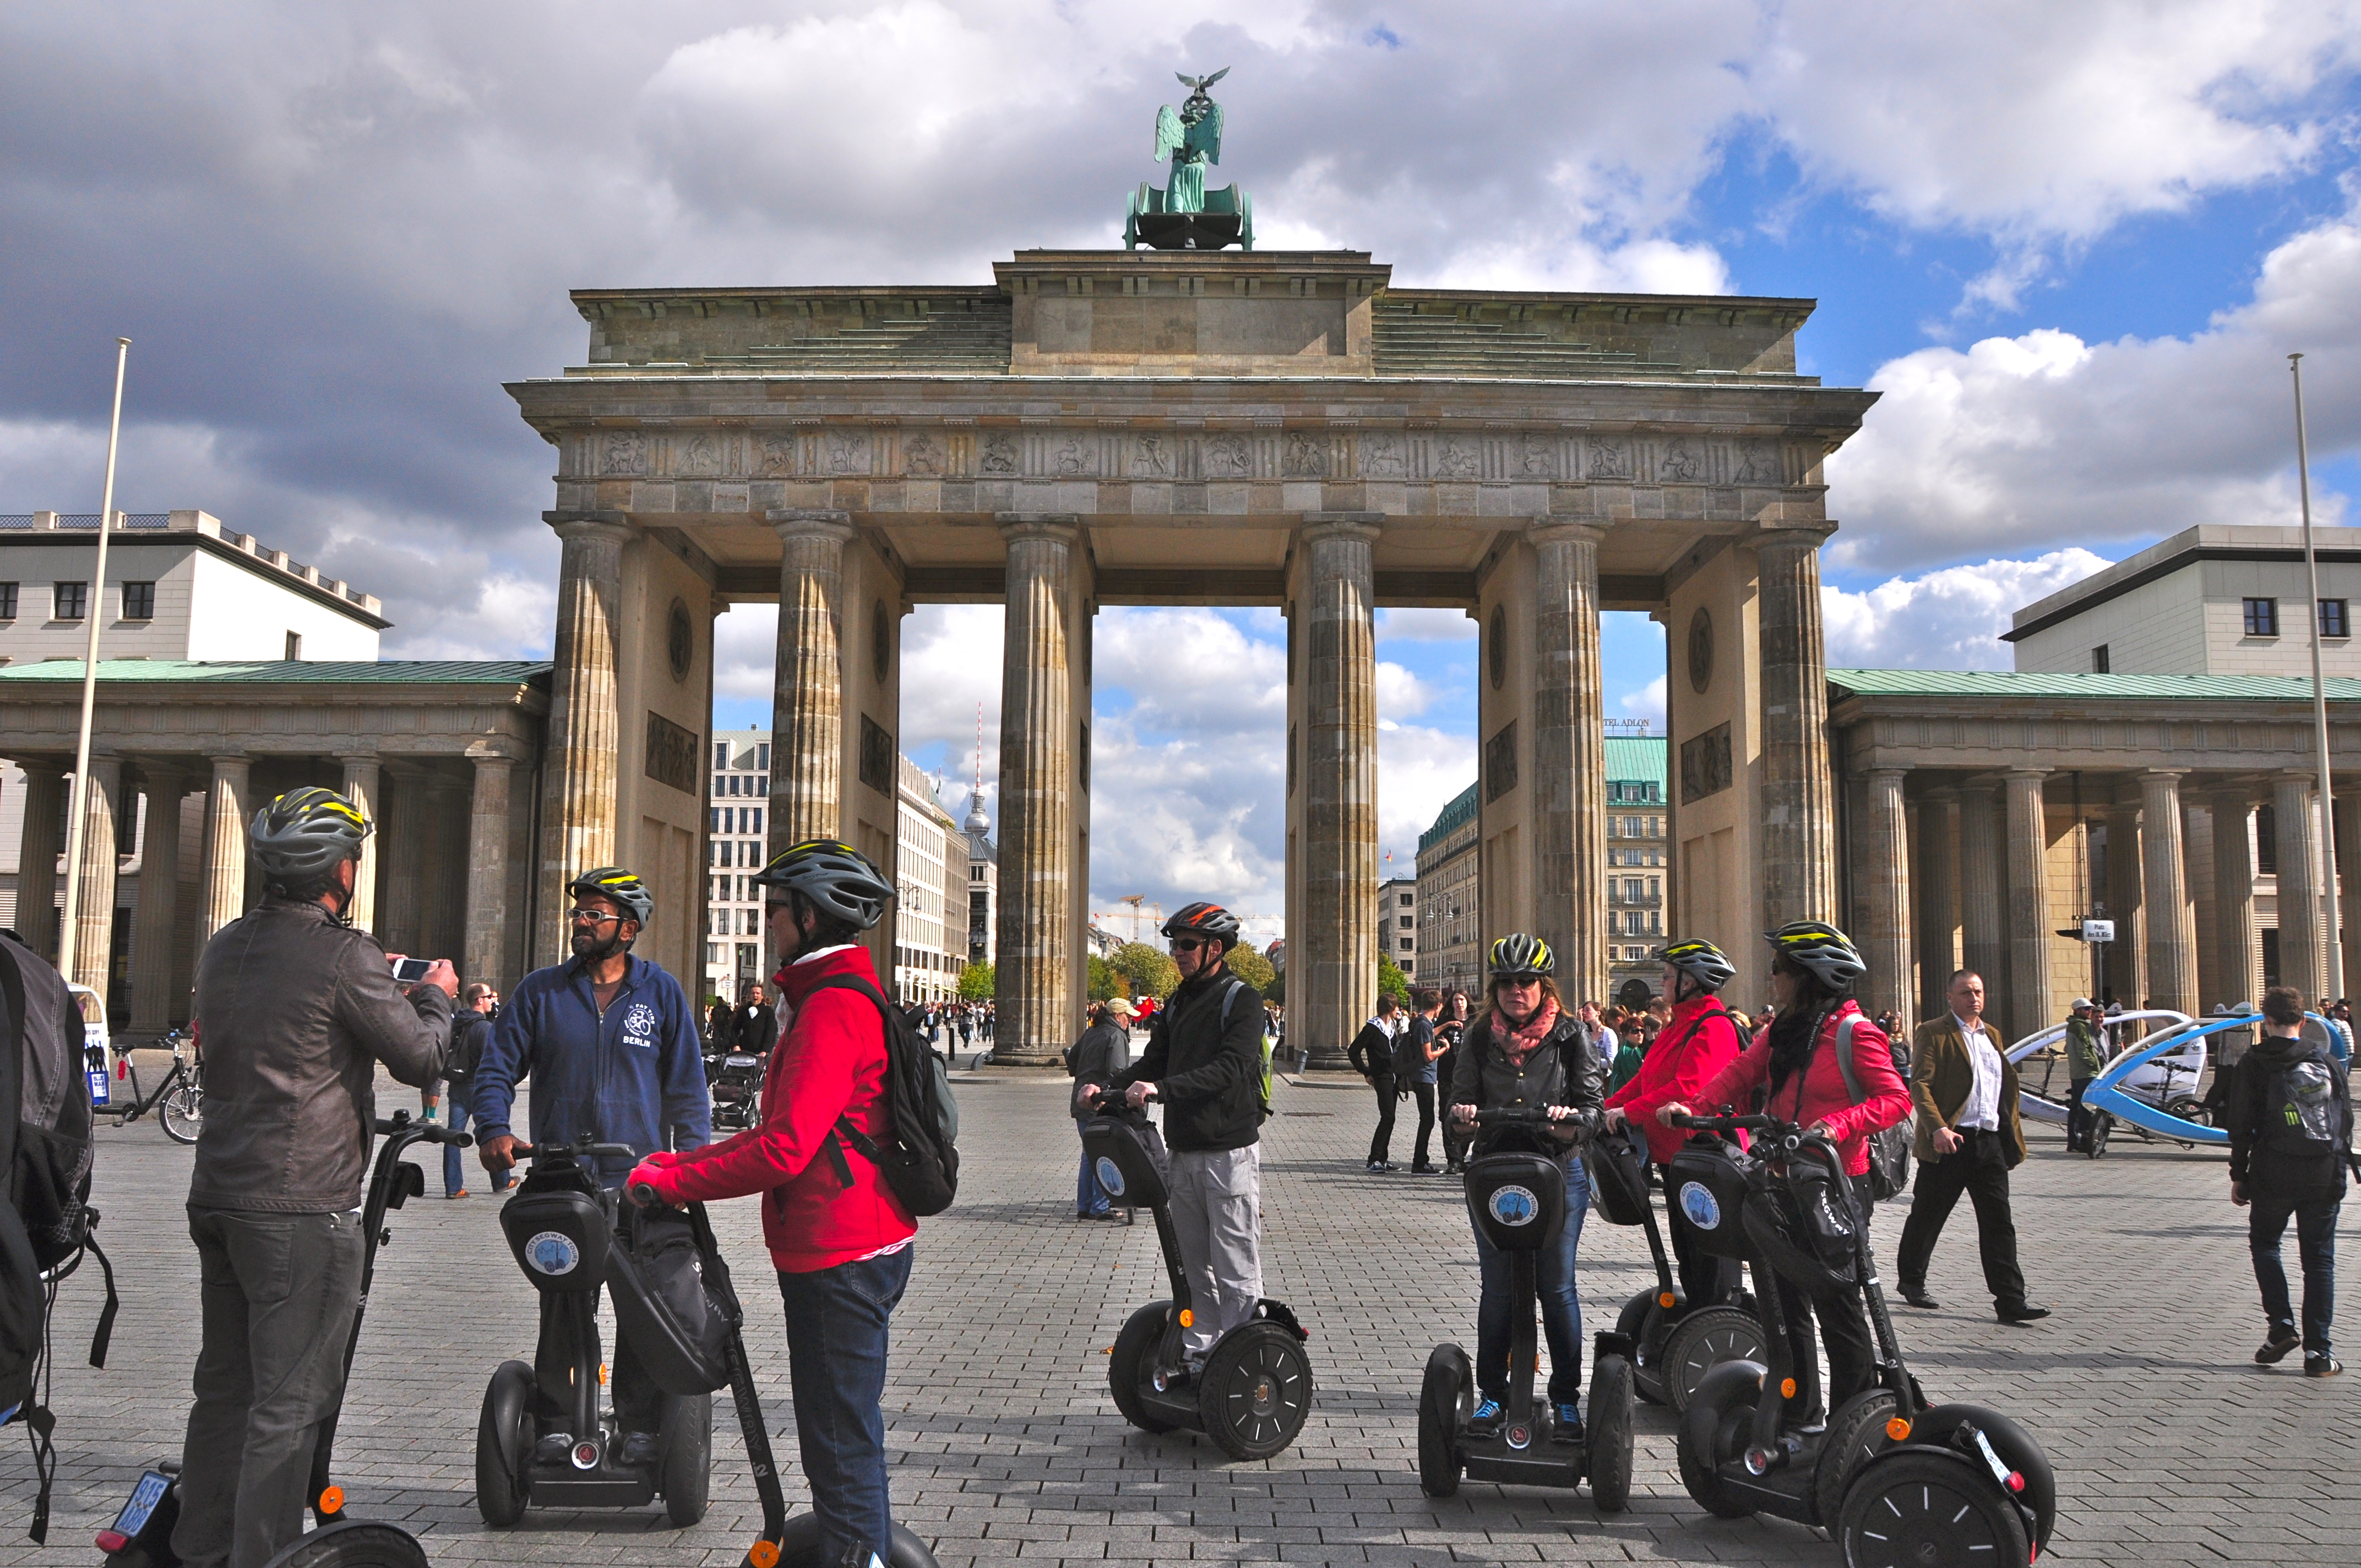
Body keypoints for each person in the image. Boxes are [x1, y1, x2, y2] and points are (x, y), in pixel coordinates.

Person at [175, 787, 453, 1568]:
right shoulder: (345, 953)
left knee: (224, 1388)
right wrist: (438, 995)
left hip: (219, 1193)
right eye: (355, 858)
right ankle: (267, 1557)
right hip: (299, 1207)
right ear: (339, 868)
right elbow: (421, 1058)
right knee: (288, 1403)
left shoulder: (225, 945)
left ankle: (202, 1551)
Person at [626, 839, 916, 1567]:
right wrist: (682, 1162)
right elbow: (786, 1136)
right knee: (841, 1429)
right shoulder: (827, 998)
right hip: (849, 1238)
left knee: (839, 1435)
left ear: (812, 917)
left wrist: (669, 1180)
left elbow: (784, 1148)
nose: (770, 919)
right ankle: (861, 1550)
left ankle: (860, 1559)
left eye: (778, 907)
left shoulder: (828, 1011)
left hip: (842, 1250)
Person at [471, 866, 711, 1467]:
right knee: (565, 1307)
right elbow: (498, 1064)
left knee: (643, 1311)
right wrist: (494, 1127)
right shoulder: (541, 992)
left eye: (595, 913)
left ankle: (639, 1425)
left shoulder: (660, 994)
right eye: (578, 912)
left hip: (641, 1185)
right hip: (563, 1180)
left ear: (627, 928)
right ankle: (556, 1420)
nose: (581, 922)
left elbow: (687, 1089)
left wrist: (691, 1167)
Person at [1658, 921, 1911, 1423]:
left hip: (1834, 1184)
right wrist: (1694, 1107)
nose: (1771, 976)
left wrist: (1837, 1126)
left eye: (1779, 968)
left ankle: (1850, 1423)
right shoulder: (1782, 1030)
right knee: (1781, 1304)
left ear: (1808, 976)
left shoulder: (1855, 1033)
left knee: (1838, 1308)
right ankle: (1800, 1415)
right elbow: (1742, 1073)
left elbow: (1895, 1100)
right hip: (1776, 1178)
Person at [1082, 901, 1267, 1381]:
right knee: (1191, 1267)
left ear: (1215, 948)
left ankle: (1242, 1363)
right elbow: (1155, 1063)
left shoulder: (1241, 1000)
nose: (1177, 953)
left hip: (1228, 1154)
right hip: (1183, 1151)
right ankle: (1202, 1353)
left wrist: (1160, 1091)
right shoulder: (1180, 1001)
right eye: (1175, 944)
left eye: (1186, 944)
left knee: (1233, 1268)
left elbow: (1232, 1068)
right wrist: (1109, 1088)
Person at [1447, 934, 1604, 1442]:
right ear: (1496, 988)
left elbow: (1594, 1108)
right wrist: (1464, 1119)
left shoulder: (1572, 1035)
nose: (1517, 990)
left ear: (1543, 984)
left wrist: (1572, 1123)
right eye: (1507, 982)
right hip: (1496, 1173)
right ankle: (1492, 1396)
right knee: (1497, 1290)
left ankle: (1564, 1400)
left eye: (1527, 981)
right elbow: (1457, 1106)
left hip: (1558, 1171)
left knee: (1555, 1287)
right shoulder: (1477, 1038)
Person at [1895, 969, 2047, 1322]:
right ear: (1950, 997)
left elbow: (2001, 1090)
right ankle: (1912, 1281)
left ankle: (2010, 1300)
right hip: (1950, 1141)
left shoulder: (1992, 1035)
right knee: (1928, 1215)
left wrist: (2009, 1133)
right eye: (1965, 992)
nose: (1974, 998)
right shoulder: (1934, 1032)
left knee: (1998, 1223)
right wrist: (1937, 1129)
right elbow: (1920, 1085)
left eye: (1978, 991)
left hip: (1988, 1142)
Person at [1603, 939, 1747, 1306]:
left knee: (1709, 1256)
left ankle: (1717, 1320)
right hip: (1675, 1156)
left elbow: (1688, 1087)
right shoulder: (1677, 1025)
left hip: (1704, 1157)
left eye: (1668, 977)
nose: (1662, 982)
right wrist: (1606, 1108)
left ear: (1690, 982)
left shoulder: (1712, 1026)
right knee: (1688, 1250)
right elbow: (1646, 1080)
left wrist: (1629, 1113)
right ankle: (1698, 1321)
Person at [2226, 984, 2352, 1377]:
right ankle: (2319, 1353)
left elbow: (2240, 1125)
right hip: (2322, 1172)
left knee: (2266, 1244)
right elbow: (2345, 1119)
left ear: (2266, 1021)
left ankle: (2280, 1325)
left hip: (2273, 1172)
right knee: (2319, 1261)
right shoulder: (2326, 1061)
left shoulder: (2254, 1062)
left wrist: (2239, 1176)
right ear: (2303, 1020)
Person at [1069, 998, 1135, 1218]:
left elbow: (1072, 1059)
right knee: (1104, 1154)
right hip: (1100, 1102)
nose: (1130, 1021)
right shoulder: (1115, 1035)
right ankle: (1100, 1206)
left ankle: (1084, 1206)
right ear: (1118, 1016)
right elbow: (1117, 1072)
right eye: (1128, 1017)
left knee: (1089, 1155)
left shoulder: (1093, 1031)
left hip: (1081, 1100)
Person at [443, 981, 502, 1199]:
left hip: (456, 1085)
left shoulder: (456, 1023)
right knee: (491, 1133)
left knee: (452, 1137)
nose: (492, 1001)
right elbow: (491, 1059)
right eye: (489, 997)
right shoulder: (483, 1027)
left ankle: (453, 1187)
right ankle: (501, 1180)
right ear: (480, 1000)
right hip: (478, 1086)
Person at [1347, 992, 1405, 1172]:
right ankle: (1374, 1159)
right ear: (1389, 1008)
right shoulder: (1372, 1028)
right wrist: (1365, 1071)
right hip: (1381, 1077)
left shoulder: (1394, 1026)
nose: (1399, 1010)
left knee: (1391, 1118)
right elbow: (1353, 1050)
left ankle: (1383, 1158)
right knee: (1388, 1116)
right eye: (1396, 1007)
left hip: (1394, 1076)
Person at [1401, 988, 1445, 1174]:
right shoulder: (1423, 1025)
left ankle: (1421, 1160)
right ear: (1438, 1006)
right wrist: (1444, 1050)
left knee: (1427, 1119)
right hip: (1423, 1076)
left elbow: (1429, 1034)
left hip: (1422, 1076)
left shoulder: (1422, 1022)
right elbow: (1428, 1056)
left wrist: (1447, 1025)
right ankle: (1420, 1162)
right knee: (1427, 1120)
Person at [1437, 990, 1473, 1174]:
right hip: (1447, 1075)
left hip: (1470, 1078)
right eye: (1456, 1000)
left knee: (1469, 1116)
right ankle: (1454, 1160)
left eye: (1462, 1000)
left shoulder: (1475, 1022)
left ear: (1467, 1002)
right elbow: (1431, 1037)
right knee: (1447, 1116)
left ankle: (1462, 1156)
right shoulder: (1445, 1021)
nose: (1459, 1003)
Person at [2064, 997, 2104, 1153]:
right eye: (2087, 1009)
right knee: (2086, 1106)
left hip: (2077, 1072)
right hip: (2086, 1072)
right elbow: (2084, 1051)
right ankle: (2085, 1141)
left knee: (2075, 1107)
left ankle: (2073, 1141)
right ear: (2078, 1010)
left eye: (2090, 1009)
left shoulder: (2074, 1025)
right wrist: (2096, 1066)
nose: (2090, 1012)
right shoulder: (2079, 1027)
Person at [735, 980, 778, 1055]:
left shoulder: (768, 1011)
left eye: (758, 993)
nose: (755, 995)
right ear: (749, 996)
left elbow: (771, 1031)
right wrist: (736, 1045)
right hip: (745, 1049)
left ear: (762, 996)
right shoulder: (743, 1010)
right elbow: (734, 1029)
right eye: (753, 993)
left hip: (762, 1050)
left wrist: (765, 1050)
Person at [1576, 998, 1618, 1074]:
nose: (1584, 1013)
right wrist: (1579, 1023)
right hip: (1587, 1076)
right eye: (1583, 1011)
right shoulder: (1587, 1034)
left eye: (1588, 1010)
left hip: (1603, 1078)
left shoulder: (1608, 1033)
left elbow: (1612, 1061)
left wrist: (1591, 1061)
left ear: (1598, 1013)